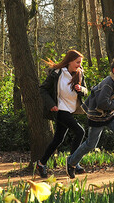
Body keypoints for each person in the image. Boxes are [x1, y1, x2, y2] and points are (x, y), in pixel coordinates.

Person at [66, 55, 114, 178]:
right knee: (90, 145)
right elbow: (102, 103)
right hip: (97, 117)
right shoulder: (108, 84)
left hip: (109, 115)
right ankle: (71, 162)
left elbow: (112, 98)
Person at [35, 50, 88, 178]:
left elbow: (86, 91)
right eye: (77, 62)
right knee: (80, 132)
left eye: (80, 62)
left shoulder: (80, 74)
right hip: (60, 109)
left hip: (70, 109)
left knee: (58, 139)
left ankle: (41, 163)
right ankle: (73, 162)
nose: (79, 65)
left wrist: (81, 89)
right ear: (69, 61)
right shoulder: (57, 73)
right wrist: (51, 104)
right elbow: (43, 89)